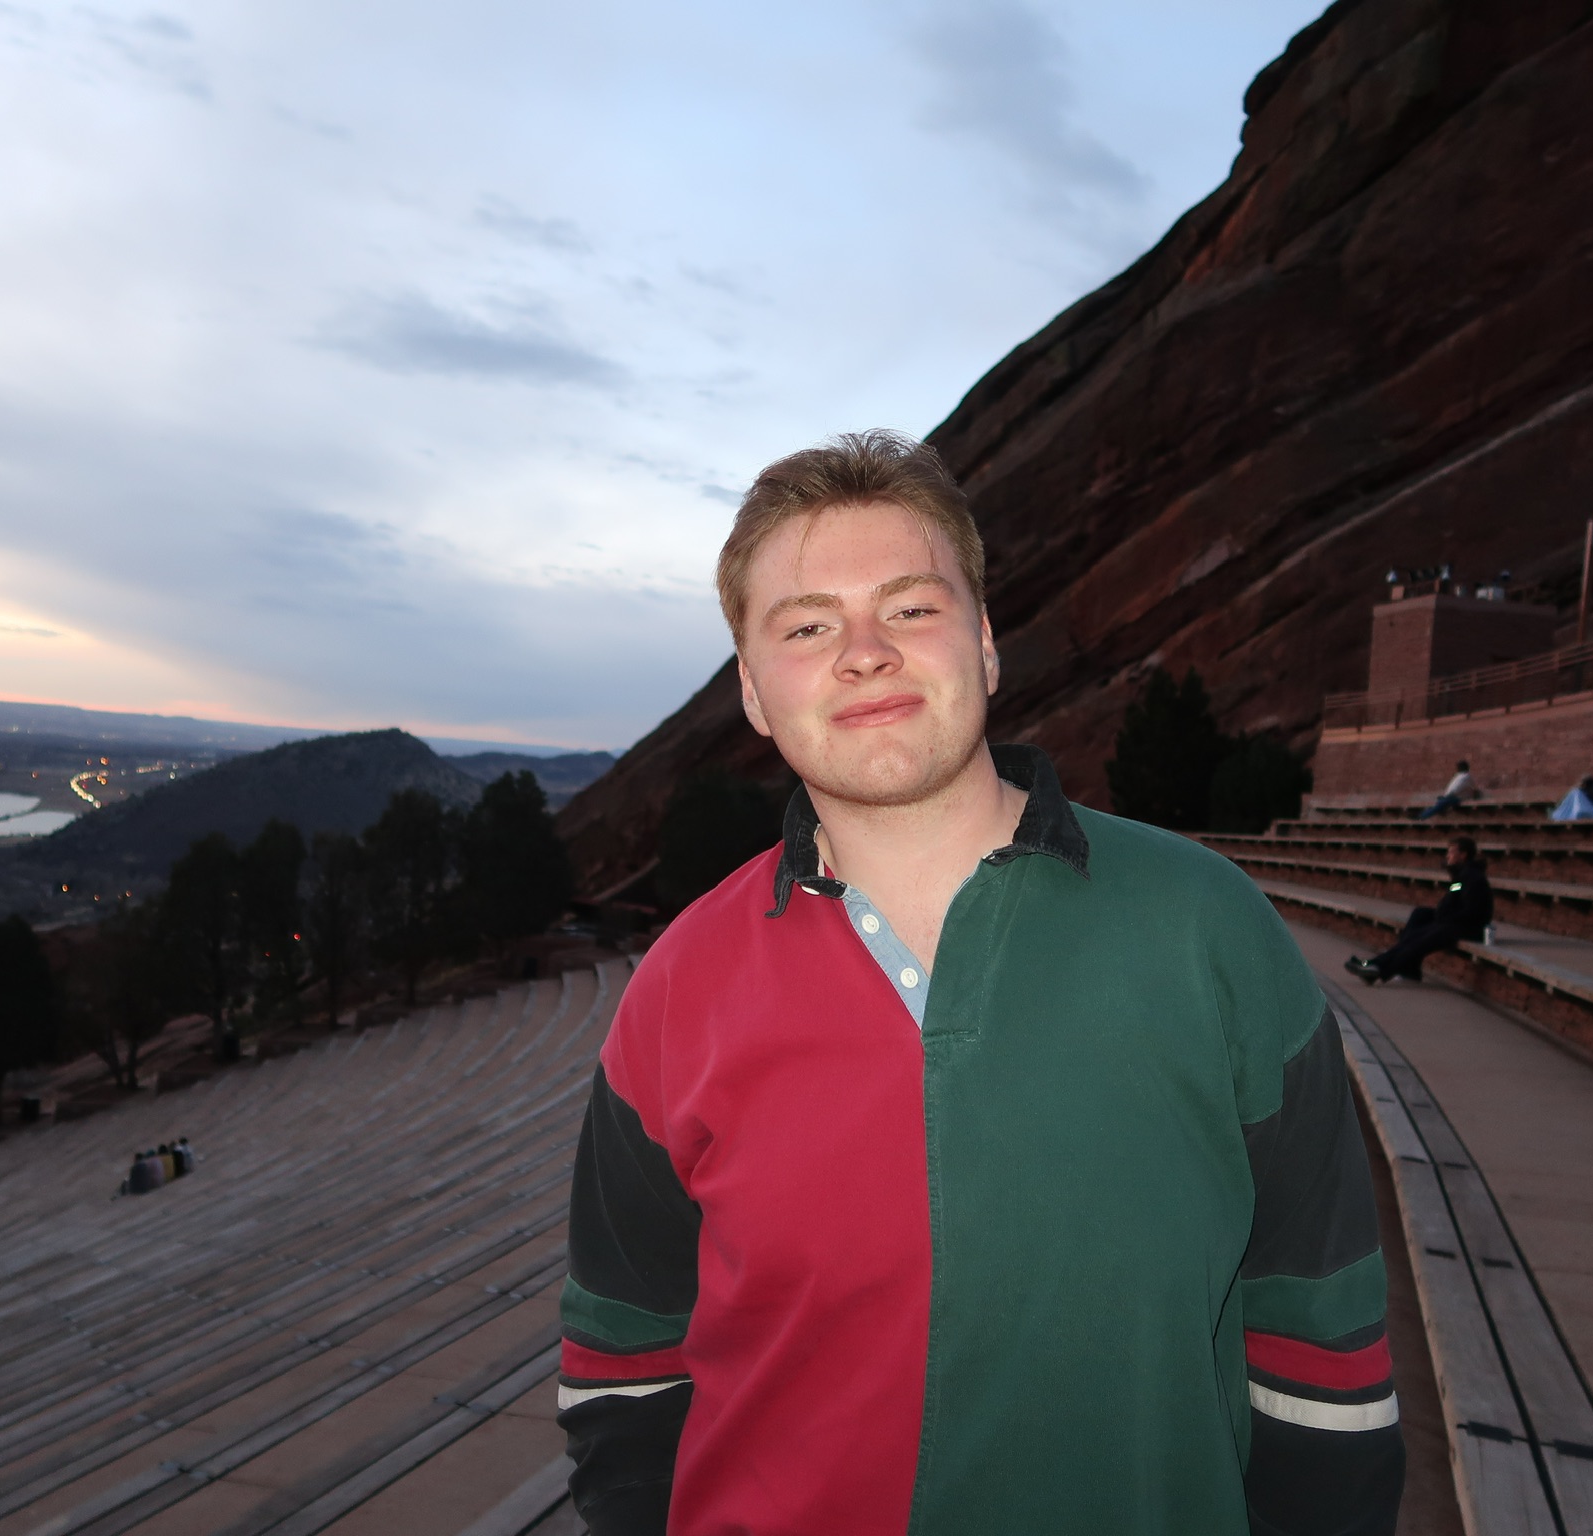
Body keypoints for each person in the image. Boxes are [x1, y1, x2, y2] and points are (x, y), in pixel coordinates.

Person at [559, 432, 1404, 1536]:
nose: (865, 652)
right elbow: (622, 1361)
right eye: (808, 626)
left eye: (910, 608)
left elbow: (1321, 1340)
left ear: (989, 647)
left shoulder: (1210, 932)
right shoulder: (676, 991)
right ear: (756, 696)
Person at [1345, 838, 1494, 984]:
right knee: (1420, 915)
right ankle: (1400, 968)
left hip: (1468, 927)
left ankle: (1379, 969)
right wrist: (1443, 915)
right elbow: (1453, 900)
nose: (1447, 856)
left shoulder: (1472, 877)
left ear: (1463, 855)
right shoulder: (1461, 875)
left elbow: (1471, 911)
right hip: (1453, 920)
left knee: (1418, 938)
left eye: (1451, 852)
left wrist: (1444, 918)